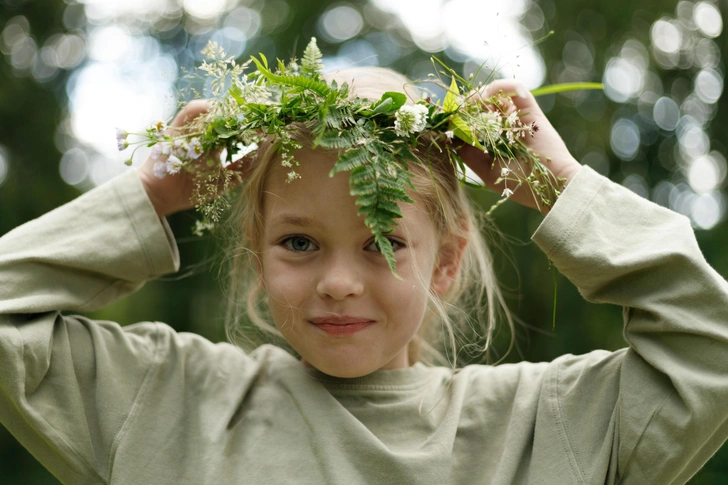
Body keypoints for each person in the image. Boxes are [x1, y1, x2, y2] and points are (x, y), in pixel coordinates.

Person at [0, 66, 727, 485]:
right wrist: (150, 194)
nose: (339, 281)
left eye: (382, 241)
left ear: (444, 262)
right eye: (298, 241)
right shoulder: (169, 401)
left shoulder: (545, 426)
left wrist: (562, 184)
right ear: (257, 254)